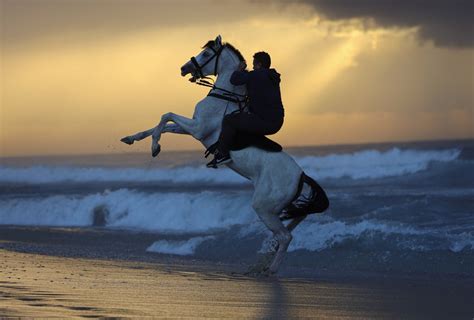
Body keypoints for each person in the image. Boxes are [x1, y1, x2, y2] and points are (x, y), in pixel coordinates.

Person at [206, 51, 285, 168]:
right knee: (242, 121)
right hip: (276, 121)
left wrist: (239, 69)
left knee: (229, 120)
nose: (252, 67)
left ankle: (223, 154)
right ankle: (268, 146)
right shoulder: (269, 76)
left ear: (259, 64)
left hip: (266, 121)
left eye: (254, 65)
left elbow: (234, 80)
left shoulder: (258, 74)